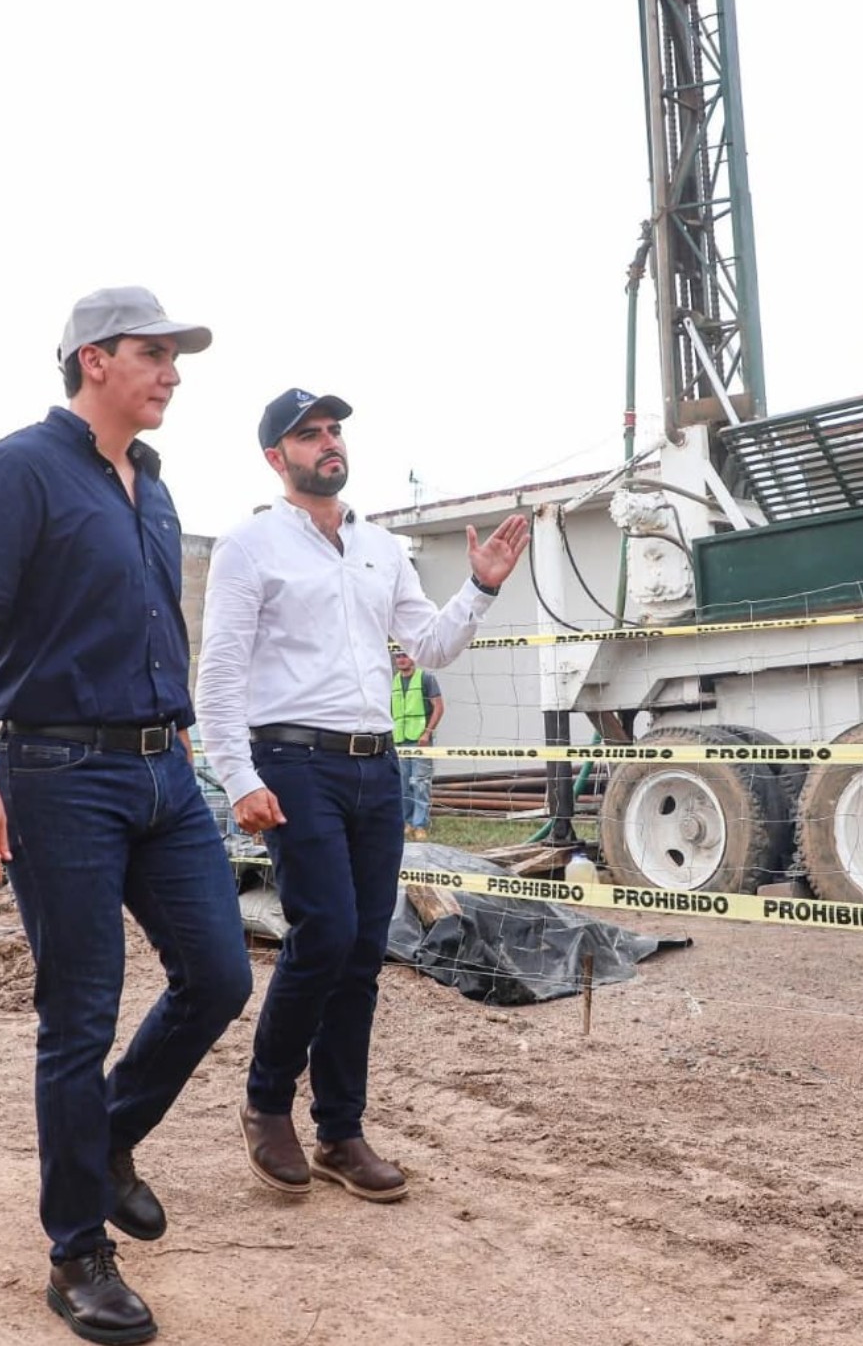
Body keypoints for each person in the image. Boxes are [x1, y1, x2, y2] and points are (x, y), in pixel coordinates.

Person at [0, 286, 253, 1346]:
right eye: (154, 353)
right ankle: (76, 1252)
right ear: (93, 359)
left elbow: (153, 631)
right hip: (58, 774)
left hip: (163, 773)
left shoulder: (152, 487)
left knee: (220, 974)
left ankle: (104, 1138)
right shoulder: (17, 470)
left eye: (175, 356)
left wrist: (181, 740)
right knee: (79, 1016)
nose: (173, 372)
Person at [196, 388, 528, 1204]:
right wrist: (239, 777)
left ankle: (340, 1131)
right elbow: (220, 671)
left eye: (334, 429)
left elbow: (428, 644)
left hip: (375, 765)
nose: (328, 441)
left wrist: (480, 587)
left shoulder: (380, 547)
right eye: (308, 433)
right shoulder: (248, 546)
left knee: (362, 949)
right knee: (325, 932)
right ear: (276, 457)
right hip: (293, 761)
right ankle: (266, 1103)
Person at [389, 649, 443, 842]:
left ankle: (420, 825)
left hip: (420, 740)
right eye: (398, 656)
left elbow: (439, 707)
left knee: (420, 783)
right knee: (402, 784)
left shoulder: (425, 678)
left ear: (413, 657)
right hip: (399, 740)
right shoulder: (393, 682)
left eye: (404, 655)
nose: (401, 659)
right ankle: (407, 823)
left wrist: (427, 732)